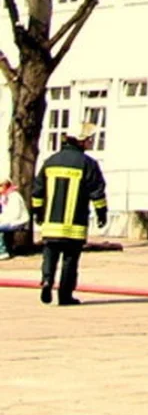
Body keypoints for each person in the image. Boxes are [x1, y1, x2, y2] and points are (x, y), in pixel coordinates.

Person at [30, 121, 107, 306]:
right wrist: (101, 214)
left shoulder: (50, 161)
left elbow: (37, 191)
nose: (91, 142)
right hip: (75, 224)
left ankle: (47, 280)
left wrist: (38, 213)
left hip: (51, 224)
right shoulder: (88, 164)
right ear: (80, 141)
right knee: (70, 260)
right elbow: (97, 192)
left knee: (50, 254)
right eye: (89, 139)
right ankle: (65, 296)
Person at [0, 178, 30, 260]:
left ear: (5, 186)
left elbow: (15, 214)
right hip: (8, 220)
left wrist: (2, 220)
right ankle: (8, 249)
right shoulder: (4, 197)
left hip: (18, 221)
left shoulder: (14, 196)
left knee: (1, 228)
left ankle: (3, 251)